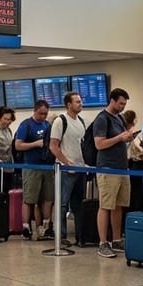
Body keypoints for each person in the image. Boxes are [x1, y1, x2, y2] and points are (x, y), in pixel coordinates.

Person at [92, 88, 136, 259]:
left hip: (121, 167)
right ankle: (103, 242)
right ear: (112, 101)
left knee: (119, 204)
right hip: (107, 168)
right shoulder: (102, 119)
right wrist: (119, 138)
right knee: (106, 205)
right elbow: (99, 144)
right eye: (120, 103)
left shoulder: (119, 118)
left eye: (125, 104)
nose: (123, 107)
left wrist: (128, 137)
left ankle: (116, 239)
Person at [15, 100, 54, 240]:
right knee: (30, 199)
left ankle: (45, 226)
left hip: (47, 166)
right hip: (31, 166)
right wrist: (35, 144)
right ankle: (25, 227)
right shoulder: (26, 125)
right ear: (34, 110)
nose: (43, 116)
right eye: (40, 113)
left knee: (47, 198)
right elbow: (18, 146)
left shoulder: (48, 125)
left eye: (45, 114)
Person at [49, 94, 86, 245]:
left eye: (80, 101)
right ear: (68, 104)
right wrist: (66, 162)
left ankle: (80, 235)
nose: (80, 104)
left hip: (80, 168)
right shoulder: (60, 121)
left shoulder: (81, 121)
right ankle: (61, 235)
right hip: (65, 170)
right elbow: (53, 146)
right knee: (62, 203)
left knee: (78, 204)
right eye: (77, 102)